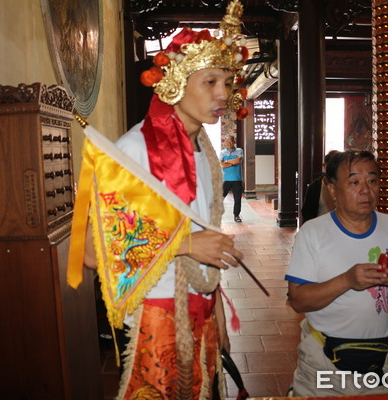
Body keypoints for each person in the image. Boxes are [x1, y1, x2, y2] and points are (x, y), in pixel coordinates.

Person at [82, 2, 249, 399]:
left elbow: (203, 234)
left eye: (227, 82)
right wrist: (186, 245)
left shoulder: (205, 151)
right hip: (156, 310)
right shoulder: (135, 149)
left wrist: (218, 311)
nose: (223, 94)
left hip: (201, 304)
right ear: (174, 83)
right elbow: (92, 250)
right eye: (210, 82)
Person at [285, 151, 388, 397]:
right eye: (354, 182)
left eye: (372, 181)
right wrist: (347, 280)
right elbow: (298, 300)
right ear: (332, 189)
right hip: (324, 361)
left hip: (382, 362)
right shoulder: (313, 233)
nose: (365, 190)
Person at [300, 150, 339, 222]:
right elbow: (307, 212)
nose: (334, 169)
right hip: (320, 228)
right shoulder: (315, 187)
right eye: (331, 166)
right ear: (324, 166)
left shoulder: (347, 186)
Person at [220, 134, 244, 222]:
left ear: (234, 142)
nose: (229, 143)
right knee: (220, 197)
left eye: (230, 141)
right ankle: (215, 215)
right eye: (227, 141)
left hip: (237, 179)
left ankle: (236, 215)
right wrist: (232, 163)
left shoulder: (239, 150)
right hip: (225, 179)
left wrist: (226, 162)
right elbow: (221, 164)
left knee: (237, 199)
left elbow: (238, 160)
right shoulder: (222, 152)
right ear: (225, 143)